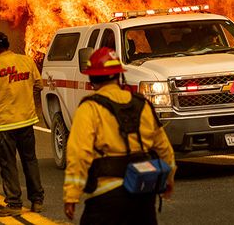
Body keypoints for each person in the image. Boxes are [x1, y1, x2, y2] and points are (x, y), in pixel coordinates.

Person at [63, 47, 175, 225]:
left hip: (106, 198)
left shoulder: (90, 108)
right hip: (143, 194)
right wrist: (168, 180)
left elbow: (78, 154)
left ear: (92, 78)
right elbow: (164, 148)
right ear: (119, 76)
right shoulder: (142, 105)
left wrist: (71, 196)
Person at [0, 31, 45, 217]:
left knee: (8, 164)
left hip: (5, 125)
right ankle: (37, 201)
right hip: (26, 121)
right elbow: (39, 85)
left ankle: (14, 204)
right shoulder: (27, 61)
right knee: (30, 160)